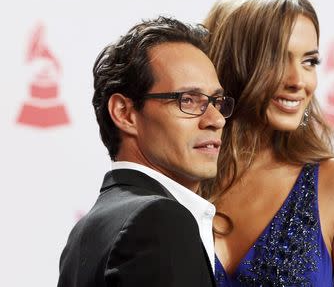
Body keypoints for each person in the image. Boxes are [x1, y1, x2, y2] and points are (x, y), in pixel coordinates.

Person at [202, 0, 334, 286]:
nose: (298, 81)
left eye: (309, 61)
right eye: (276, 59)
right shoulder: (181, 183)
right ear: (234, 61)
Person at [58, 16, 235, 287]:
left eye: (216, 101)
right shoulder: (160, 221)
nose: (216, 119)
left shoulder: (86, 230)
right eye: (187, 100)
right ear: (125, 113)